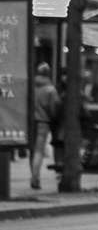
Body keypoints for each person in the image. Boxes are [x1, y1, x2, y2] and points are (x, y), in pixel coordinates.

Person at [29, 62, 62, 190]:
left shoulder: (31, 86)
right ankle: (35, 179)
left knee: (32, 150)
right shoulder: (50, 89)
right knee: (39, 151)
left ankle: (33, 175)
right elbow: (55, 108)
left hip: (30, 121)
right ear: (48, 73)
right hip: (43, 122)